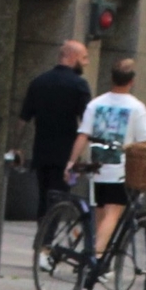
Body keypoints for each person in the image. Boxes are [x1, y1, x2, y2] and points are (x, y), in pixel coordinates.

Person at [70, 58, 146, 256]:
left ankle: (93, 255)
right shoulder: (137, 107)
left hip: (97, 167)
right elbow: (144, 141)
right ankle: (97, 257)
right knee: (113, 213)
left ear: (112, 78)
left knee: (100, 212)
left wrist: (71, 161)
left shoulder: (95, 104)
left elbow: (83, 134)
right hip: (120, 169)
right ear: (132, 81)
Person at [19, 39, 92, 214]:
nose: (86, 62)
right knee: (58, 200)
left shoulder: (39, 82)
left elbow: (23, 118)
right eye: (84, 58)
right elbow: (87, 123)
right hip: (65, 153)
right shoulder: (79, 85)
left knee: (43, 197)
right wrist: (78, 156)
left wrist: (17, 146)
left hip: (41, 151)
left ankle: (41, 234)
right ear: (73, 57)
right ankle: (47, 237)